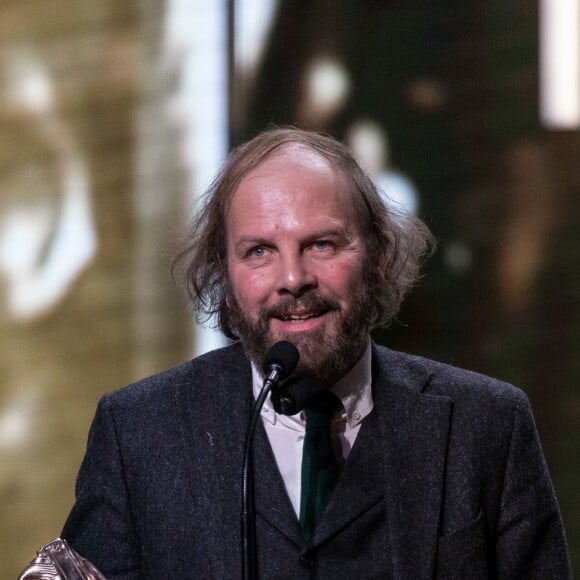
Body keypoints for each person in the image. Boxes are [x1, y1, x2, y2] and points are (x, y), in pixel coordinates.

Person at [61, 127, 571, 578]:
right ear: (225, 274)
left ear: (377, 255)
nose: (292, 279)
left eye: (322, 245)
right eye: (259, 251)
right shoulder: (136, 433)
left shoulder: (488, 426)